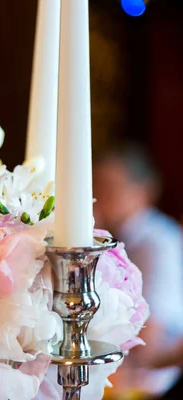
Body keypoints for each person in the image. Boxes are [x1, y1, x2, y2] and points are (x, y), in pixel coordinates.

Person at [93, 144, 183, 399]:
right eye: (95, 185)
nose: (97, 196)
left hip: (146, 388)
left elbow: (148, 345)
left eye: (110, 187)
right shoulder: (116, 236)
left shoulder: (157, 243)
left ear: (144, 191)